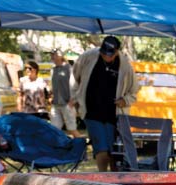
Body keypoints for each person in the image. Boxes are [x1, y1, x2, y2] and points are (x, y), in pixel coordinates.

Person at [73, 35, 137, 172]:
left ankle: (114, 178)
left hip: (113, 114)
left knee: (113, 151)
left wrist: (125, 100)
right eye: (103, 53)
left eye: (109, 54)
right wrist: (77, 97)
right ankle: (102, 176)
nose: (106, 56)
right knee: (101, 149)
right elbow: (76, 76)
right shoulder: (88, 57)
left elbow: (134, 92)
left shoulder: (125, 66)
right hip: (92, 112)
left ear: (116, 52)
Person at [48, 50, 77, 136]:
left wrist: (72, 100)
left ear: (61, 56)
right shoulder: (53, 70)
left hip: (67, 103)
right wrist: (51, 96)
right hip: (56, 104)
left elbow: (75, 85)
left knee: (71, 130)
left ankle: (81, 143)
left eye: (54, 55)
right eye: (51, 55)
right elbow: (52, 85)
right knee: (54, 130)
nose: (52, 57)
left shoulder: (69, 68)